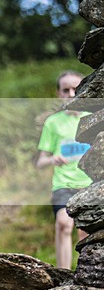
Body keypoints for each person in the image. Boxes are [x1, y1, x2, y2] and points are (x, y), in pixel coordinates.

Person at [35, 70, 91, 269]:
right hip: (64, 185)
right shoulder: (53, 122)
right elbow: (40, 162)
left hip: (90, 184)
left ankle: (86, 276)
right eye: (66, 90)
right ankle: (63, 274)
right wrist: (52, 159)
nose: (71, 94)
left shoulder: (94, 119)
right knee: (64, 224)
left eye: (76, 89)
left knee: (85, 232)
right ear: (59, 93)